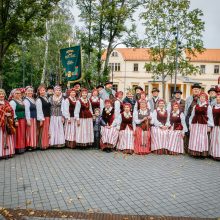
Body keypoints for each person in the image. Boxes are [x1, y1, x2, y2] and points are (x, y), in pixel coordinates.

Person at [188, 92, 214, 157]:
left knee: (202, 138)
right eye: (201, 97)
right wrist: (190, 124)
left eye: (203, 97)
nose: (202, 98)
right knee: (194, 138)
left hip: (203, 124)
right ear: (199, 98)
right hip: (195, 124)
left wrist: (209, 126)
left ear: (206, 98)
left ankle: (201, 153)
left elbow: (210, 116)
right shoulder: (195, 106)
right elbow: (192, 116)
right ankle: (194, 152)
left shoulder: (208, 106)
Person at [0, 89, 15, 159]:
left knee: (7, 138)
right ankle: (1, 154)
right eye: (0, 94)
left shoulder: (7, 102)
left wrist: (10, 114)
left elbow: (12, 110)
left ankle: (7, 153)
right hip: (1, 124)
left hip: (7, 123)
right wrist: (3, 114)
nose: (1, 95)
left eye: (3, 94)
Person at [9, 89, 26, 154]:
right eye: (16, 93)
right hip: (17, 119)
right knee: (18, 134)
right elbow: (13, 112)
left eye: (19, 93)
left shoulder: (20, 101)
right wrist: (15, 120)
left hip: (22, 119)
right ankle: (17, 148)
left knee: (21, 134)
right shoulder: (12, 102)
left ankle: (21, 147)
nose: (18, 94)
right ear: (13, 94)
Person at [36, 85, 51, 150]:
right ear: (38, 91)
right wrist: (41, 119)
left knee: (47, 131)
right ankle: (42, 145)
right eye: (41, 90)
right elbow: (39, 110)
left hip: (48, 116)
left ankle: (46, 144)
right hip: (43, 117)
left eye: (43, 90)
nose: (42, 92)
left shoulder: (46, 98)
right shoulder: (39, 99)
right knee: (43, 131)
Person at [209, 92, 220, 160]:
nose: (218, 98)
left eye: (219, 97)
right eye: (217, 97)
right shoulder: (213, 106)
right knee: (213, 139)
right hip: (214, 125)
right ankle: (214, 154)